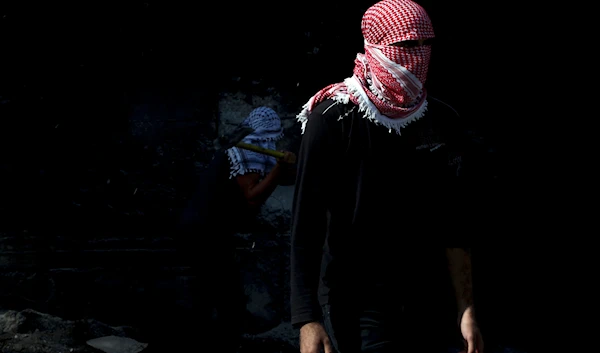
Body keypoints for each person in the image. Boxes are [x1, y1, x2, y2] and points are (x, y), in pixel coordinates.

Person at [290, 1, 485, 353]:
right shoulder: (333, 118)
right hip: (356, 301)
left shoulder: (441, 119)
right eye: (407, 46)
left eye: (425, 44)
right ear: (376, 46)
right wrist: (307, 319)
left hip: (427, 297)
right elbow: (307, 224)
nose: (418, 55)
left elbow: (455, 223)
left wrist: (466, 309)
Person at [143, 106, 296, 353]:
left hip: (204, 229)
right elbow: (252, 196)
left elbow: (280, 178)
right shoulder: (248, 148)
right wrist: (279, 168)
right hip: (204, 230)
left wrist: (285, 164)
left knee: (214, 293)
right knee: (225, 297)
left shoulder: (255, 149)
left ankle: (205, 343)